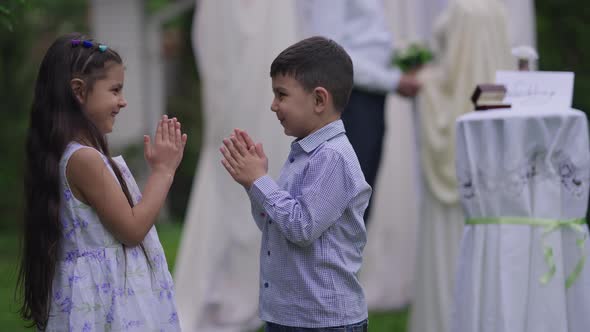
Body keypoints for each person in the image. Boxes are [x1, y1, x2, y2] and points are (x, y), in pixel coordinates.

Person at [17, 33, 186, 331]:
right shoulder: (85, 160)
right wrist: (163, 172)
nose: (123, 102)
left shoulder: (67, 155)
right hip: (107, 307)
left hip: (95, 299)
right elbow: (132, 230)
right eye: (115, 90)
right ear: (79, 92)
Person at [219, 36, 371, 331]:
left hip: (324, 321)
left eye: (281, 95)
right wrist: (253, 184)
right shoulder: (303, 154)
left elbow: (302, 227)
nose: (274, 105)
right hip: (288, 315)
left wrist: (261, 181)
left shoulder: (332, 157)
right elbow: (276, 226)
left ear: (318, 100)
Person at [295, 0, 422, 224]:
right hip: (351, 100)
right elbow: (329, 55)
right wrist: (392, 80)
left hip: (371, 99)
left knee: (361, 197)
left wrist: (398, 66)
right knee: (347, 199)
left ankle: (348, 258)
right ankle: (331, 259)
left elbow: (368, 39)